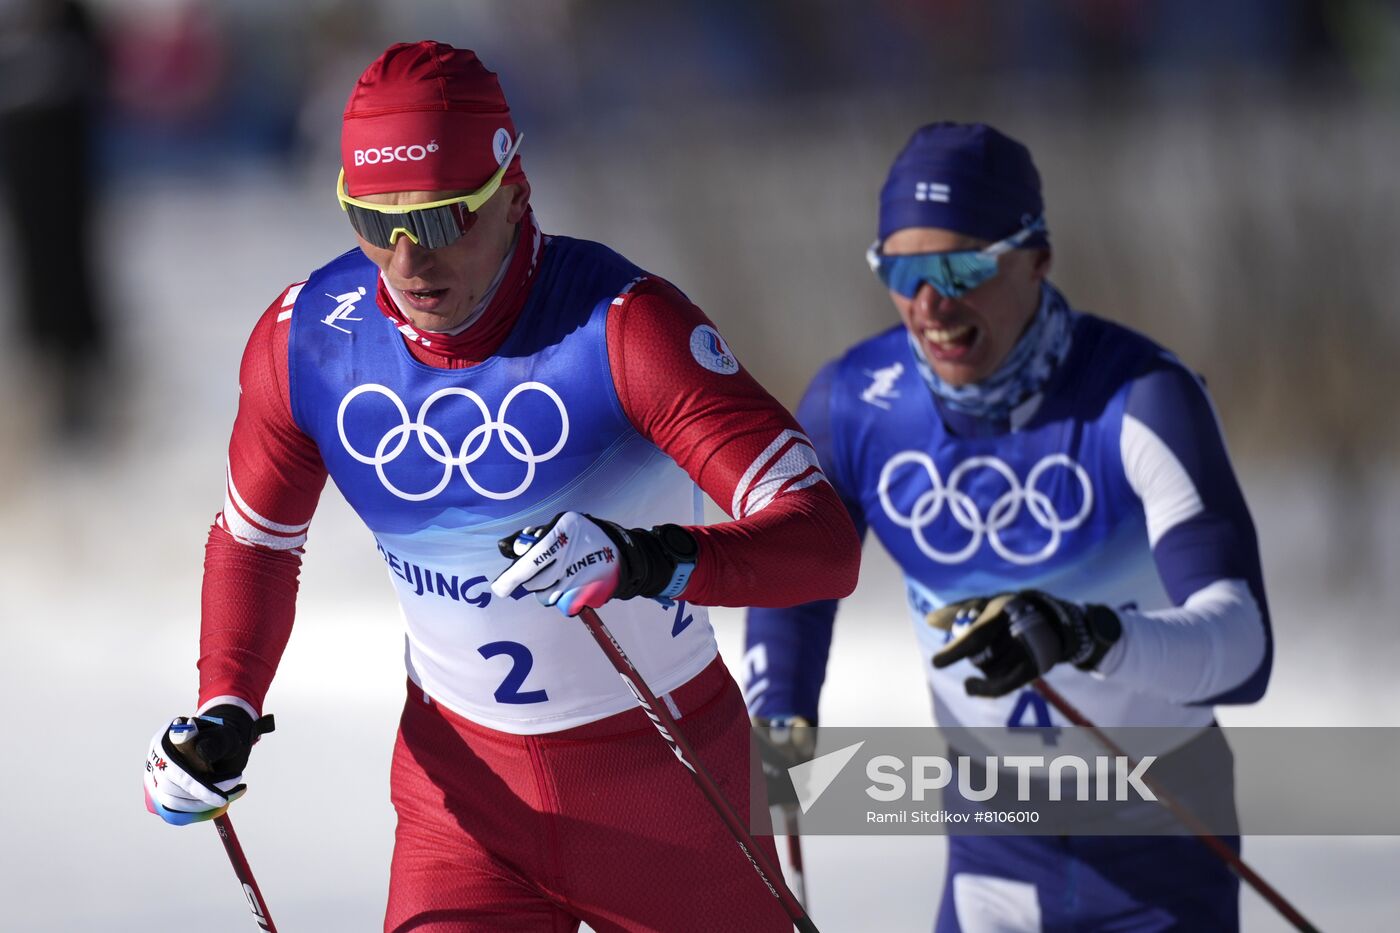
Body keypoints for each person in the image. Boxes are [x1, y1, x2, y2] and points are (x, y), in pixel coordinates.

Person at [142, 41, 859, 932]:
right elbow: (254, 540)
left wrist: (651, 558)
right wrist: (225, 706)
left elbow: (822, 542)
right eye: (373, 220)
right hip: (466, 810)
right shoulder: (307, 344)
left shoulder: (624, 329)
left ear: (515, 194)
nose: (406, 260)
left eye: (443, 220)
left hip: (671, 791)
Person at [744, 122, 1272, 931]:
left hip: (1161, 836)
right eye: (902, 270)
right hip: (995, 845)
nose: (930, 303)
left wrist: (1091, 635)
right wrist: (780, 707)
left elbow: (1244, 650)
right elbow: (793, 573)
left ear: (1037, 256)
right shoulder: (854, 404)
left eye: (961, 266)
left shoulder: (1141, 397)